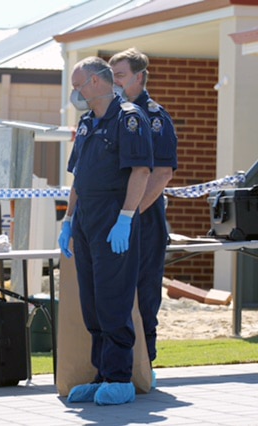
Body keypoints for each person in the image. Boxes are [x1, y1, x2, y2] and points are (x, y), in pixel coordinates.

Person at [57, 56, 153, 405]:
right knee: (93, 304)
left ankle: (119, 376)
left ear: (96, 82)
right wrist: (68, 220)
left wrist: (126, 218)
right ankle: (102, 375)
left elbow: (141, 172)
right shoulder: (86, 123)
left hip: (114, 219)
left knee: (113, 302)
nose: (76, 93)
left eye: (78, 85)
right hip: (85, 222)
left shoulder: (128, 119)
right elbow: (78, 178)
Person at [109, 48, 178, 378]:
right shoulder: (112, 114)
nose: (114, 82)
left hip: (144, 221)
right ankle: (117, 367)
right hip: (113, 221)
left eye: (120, 75)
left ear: (139, 77)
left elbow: (161, 174)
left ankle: (144, 367)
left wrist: (130, 215)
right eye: (111, 76)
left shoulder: (153, 116)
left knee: (143, 293)